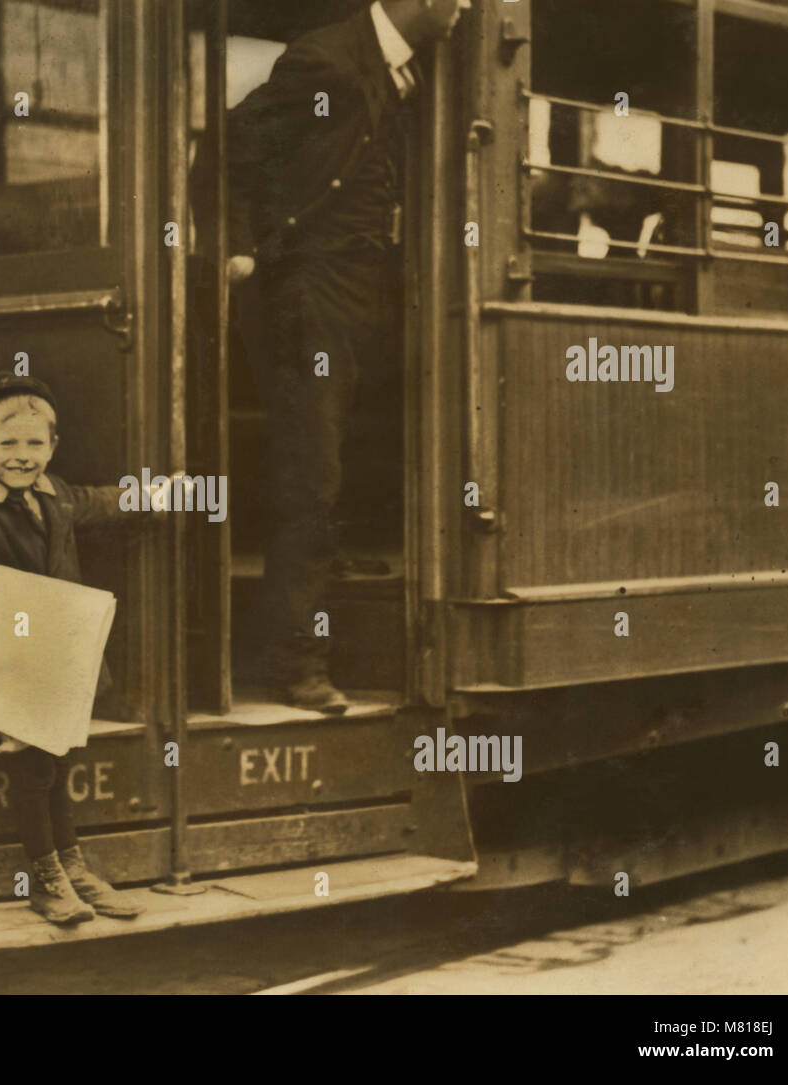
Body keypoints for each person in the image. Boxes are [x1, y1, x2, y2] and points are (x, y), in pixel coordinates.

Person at [219, 0, 467, 712]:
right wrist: (240, 245)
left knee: (340, 466)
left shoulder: (407, 72)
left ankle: (298, 631)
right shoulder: (326, 61)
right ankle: (292, 659)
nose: (467, 8)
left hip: (364, 294)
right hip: (310, 292)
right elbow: (238, 142)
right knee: (313, 474)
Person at [0, 371, 148, 925]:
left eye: (34, 444)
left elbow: (104, 502)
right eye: (7, 444)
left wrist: (164, 494)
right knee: (32, 774)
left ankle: (71, 868)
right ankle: (46, 878)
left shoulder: (56, 499)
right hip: (10, 670)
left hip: (52, 665)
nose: (22, 456)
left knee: (55, 765)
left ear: (52, 447)